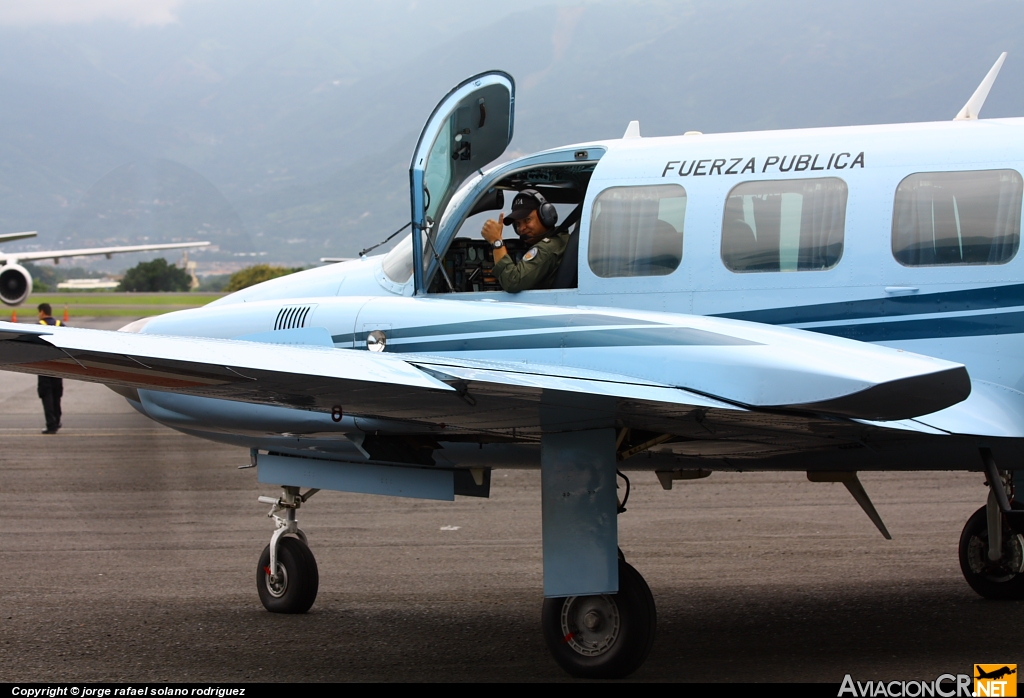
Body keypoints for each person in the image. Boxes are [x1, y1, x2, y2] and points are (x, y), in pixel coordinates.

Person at [481, 189, 569, 292]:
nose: (521, 228)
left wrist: (497, 241)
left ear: (546, 216)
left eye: (527, 220)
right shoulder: (562, 238)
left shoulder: (547, 249)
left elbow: (512, 281)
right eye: (518, 224)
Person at [36, 303, 63, 435]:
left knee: (46, 394)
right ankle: (57, 421)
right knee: (57, 394)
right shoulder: (60, 324)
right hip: (58, 365)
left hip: (44, 365)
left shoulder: (38, 326)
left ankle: (51, 425)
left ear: (42, 312)